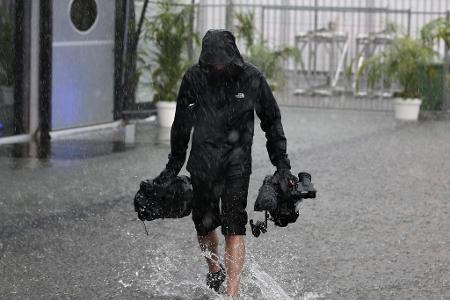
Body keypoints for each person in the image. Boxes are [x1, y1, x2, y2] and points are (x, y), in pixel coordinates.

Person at [154, 29, 295, 298]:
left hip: (236, 164)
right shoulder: (194, 78)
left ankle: (231, 293)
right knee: (204, 224)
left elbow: (272, 121)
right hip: (202, 163)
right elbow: (181, 124)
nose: (218, 66)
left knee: (234, 224)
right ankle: (214, 269)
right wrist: (173, 166)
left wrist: (282, 164)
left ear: (233, 56)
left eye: (223, 61)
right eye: (212, 61)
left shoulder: (252, 78)